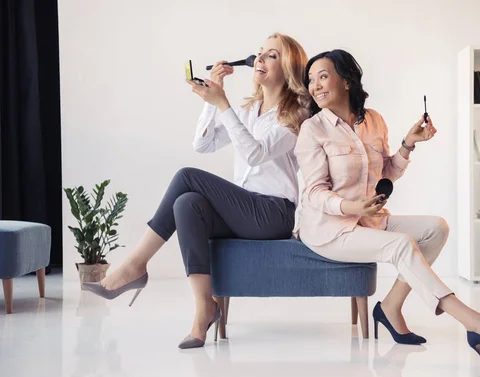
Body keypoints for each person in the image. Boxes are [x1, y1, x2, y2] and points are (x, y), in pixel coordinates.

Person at [294, 49, 480, 367]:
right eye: (311, 80)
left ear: (346, 80)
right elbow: (314, 193)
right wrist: (351, 205)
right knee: (402, 244)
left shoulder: (373, 120)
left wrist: (409, 143)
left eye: (323, 76)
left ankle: (390, 306)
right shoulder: (313, 130)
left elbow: (387, 172)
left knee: (437, 227)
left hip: (369, 221)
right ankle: (474, 324)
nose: (316, 86)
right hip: (328, 228)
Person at [83, 33, 310, 350]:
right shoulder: (248, 110)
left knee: (187, 177)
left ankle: (134, 265)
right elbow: (203, 145)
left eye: (271, 55)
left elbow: (256, 153)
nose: (259, 58)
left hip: (274, 214)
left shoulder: (296, 114)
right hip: (244, 213)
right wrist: (212, 103)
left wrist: (223, 105)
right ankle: (205, 309)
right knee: (188, 204)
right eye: (259, 53)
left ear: (288, 68)